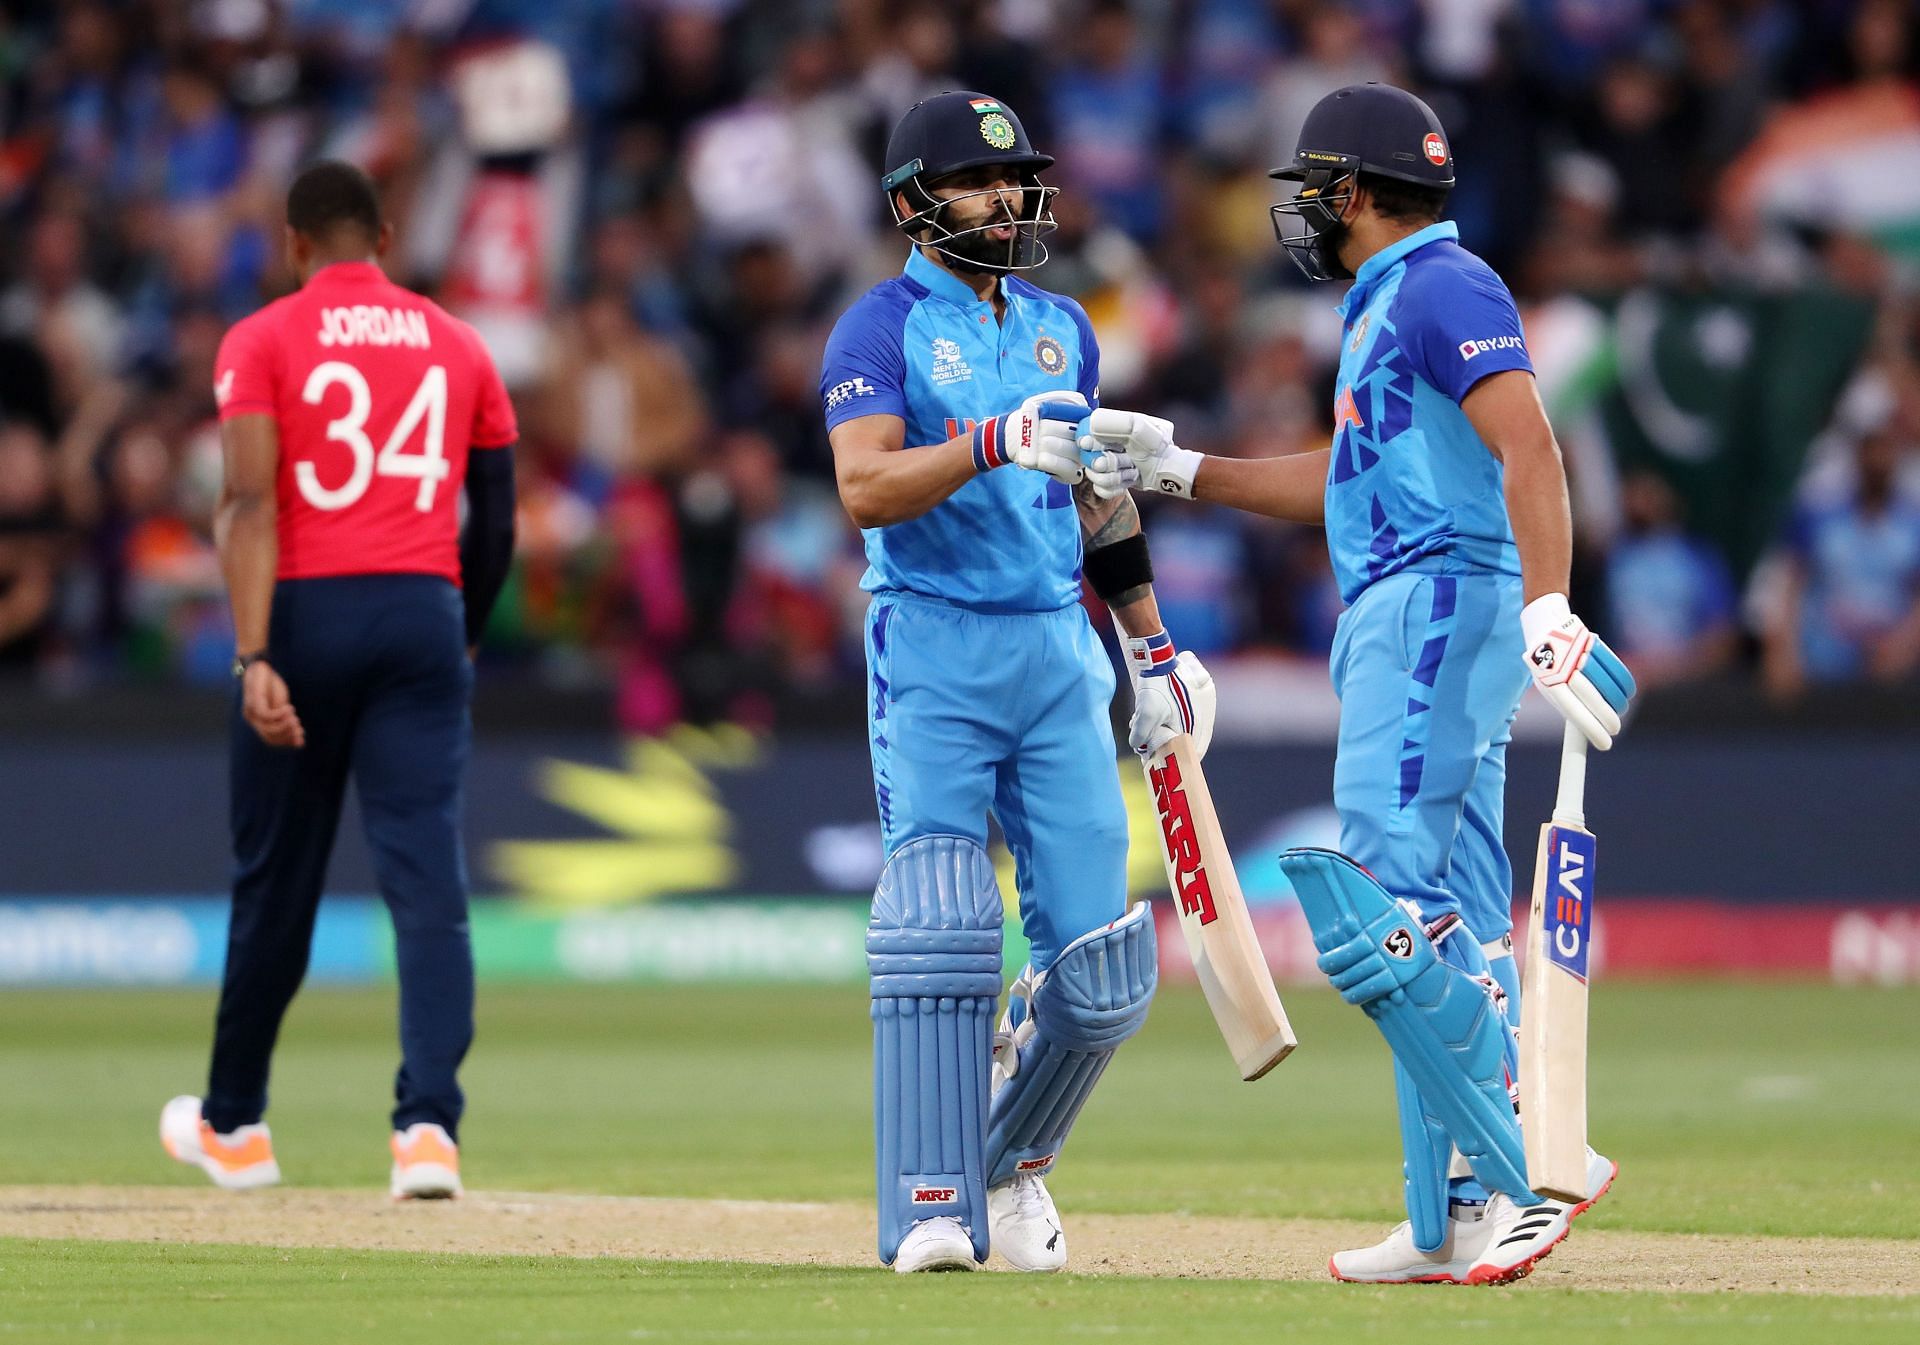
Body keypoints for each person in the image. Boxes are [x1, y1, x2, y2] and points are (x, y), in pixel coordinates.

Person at [1085, 84, 1635, 1286]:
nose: (1305, 213)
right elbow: (1349, 478)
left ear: (1354, 190)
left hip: (1438, 595)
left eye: (1314, 188)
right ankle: (1451, 1218)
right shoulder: (1397, 301)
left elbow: (1529, 443)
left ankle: (1536, 1159)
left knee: (1375, 902)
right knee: (1454, 908)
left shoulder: (1444, 285)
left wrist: (1549, 602)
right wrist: (1179, 468)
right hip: (1418, 590)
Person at [820, 91, 1213, 1274]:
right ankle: (933, 1201)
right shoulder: (875, 329)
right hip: (933, 643)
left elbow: (1099, 499)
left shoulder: (1064, 327)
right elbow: (865, 490)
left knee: (1100, 966)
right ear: (912, 204)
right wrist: (990, 441)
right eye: (980, 184)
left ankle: (1012, 1165)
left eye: (1017, 180)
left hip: (1055, 650)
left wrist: (1152, 648)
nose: (1009, 200)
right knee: (941, 934)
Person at [159, 161, 518, 1200]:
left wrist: (255, 653)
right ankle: (426, 1131)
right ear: (388, 235)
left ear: (293, 243)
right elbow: (493, 515)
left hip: (306, 615)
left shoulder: (262, 339)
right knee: (428, 886)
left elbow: (247, 502)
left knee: (277, 881)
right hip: (420, 613)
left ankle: (235, 1128)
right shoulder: (458, 342)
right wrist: (465, 628)